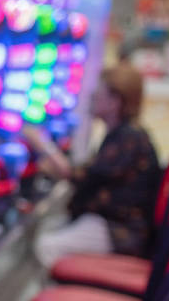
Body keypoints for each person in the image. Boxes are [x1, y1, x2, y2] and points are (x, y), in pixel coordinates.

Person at [25, 64, 161, 267]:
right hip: (107, 220)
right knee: (46, 226)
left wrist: (41, 143)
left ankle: (64, 297)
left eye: (99, 92)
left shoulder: (129, 137)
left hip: (120, 229)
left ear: (115, 101)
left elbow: (81, 176)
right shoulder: (121, 133)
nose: (92, 96)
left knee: (47, 245)